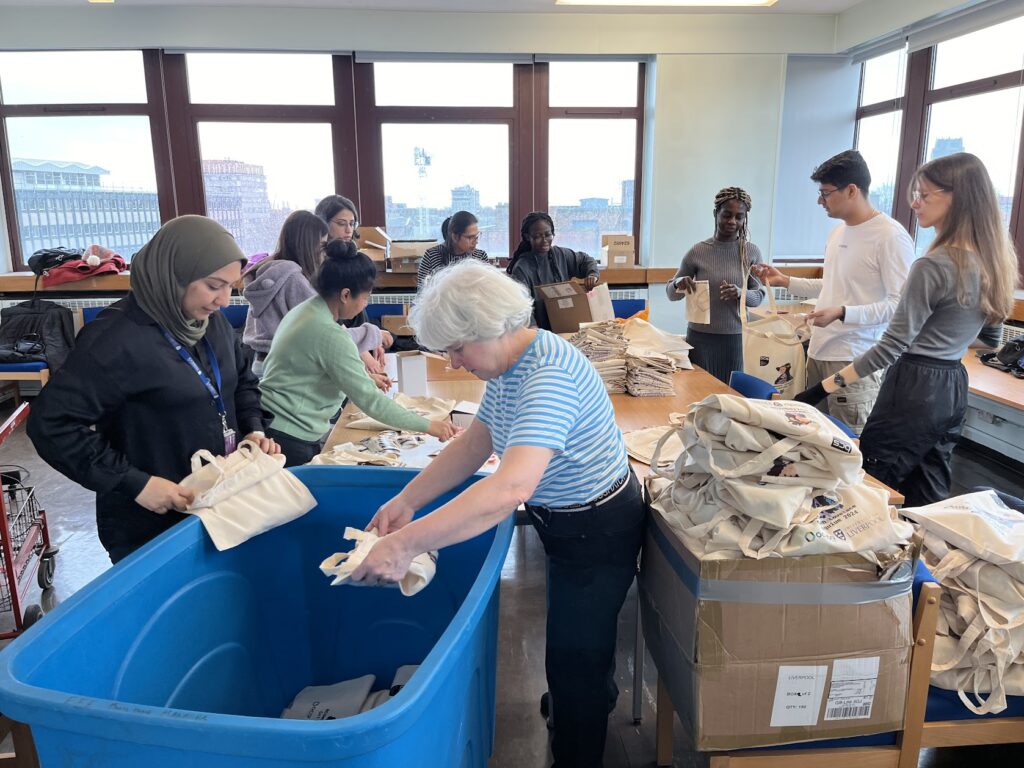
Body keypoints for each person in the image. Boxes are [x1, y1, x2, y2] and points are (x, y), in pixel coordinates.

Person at [349, 259, 644, 767]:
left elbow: (511, 486)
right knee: (577, 643)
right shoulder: (511, 364)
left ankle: (581, 736)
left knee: (575, 659)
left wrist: (405, 543)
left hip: (597, 527)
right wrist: (407, 501)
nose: (456, 362)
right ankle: (587, 696)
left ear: (490, 327)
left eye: (458, 349)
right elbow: (477, 441)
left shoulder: (547, 375)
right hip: (565, 522)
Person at [26, 215, 280, 564]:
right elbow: (52, 425)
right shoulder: (116, 339)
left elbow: (242, 384)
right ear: (174, 276)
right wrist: (136, 483)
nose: (224, 300)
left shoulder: (209, 324)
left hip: (216, 502)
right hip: (148, 524)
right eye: (213, 285)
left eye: (230, 286)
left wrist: (252, 429)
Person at [793, 152, 1018, 507]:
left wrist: (820, 389)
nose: (915, 203)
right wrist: (941, 338)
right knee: (926, 493)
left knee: (871, 486)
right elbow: (988, 339)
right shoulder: (991, 261)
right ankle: (918, 561)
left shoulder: (933, 263)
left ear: (956, 198)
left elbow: (890, 347)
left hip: (914, 385)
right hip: (952, 385)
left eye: (925, 195)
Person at [755, 150, 915, 433]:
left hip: (854, 359)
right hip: (819, 352)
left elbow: (900, 305)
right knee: (811, 439)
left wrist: (842, 313)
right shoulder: (838, 232)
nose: (820, 201)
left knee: (848, 445)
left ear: (851, 190)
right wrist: (786, 281)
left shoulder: (890, 236)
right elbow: (832, 285)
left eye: (826, 193)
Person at [259, 239, 456, 466]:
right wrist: (430, 426)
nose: (365, 304)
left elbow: (309, 368)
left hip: (273, 423)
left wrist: (365, 377)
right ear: (345, 295)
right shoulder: (329, 333)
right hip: (290, 436)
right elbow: (371, 402)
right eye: (365, 297)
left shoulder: (305, 311)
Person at [242, 210, 390, 380]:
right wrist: (374, 335)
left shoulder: (270, 274)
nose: (323, 253)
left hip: (263, 363)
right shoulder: (293, 280)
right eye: (321, 245)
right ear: (307, 245)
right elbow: (328, 335)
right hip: (285, 370)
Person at [666, 187, 765, 383]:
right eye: (727, 215)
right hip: (700, 339)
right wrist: (679, 283)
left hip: (733, 338)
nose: (732, 222)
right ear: (715, 213)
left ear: (745, 219)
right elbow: (671, 294)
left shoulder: (751, 252)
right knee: (698, 390)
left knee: (731, 395)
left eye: (739, 217)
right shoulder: (698, 251)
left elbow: (759, 295)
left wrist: (740, 294)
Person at [507, 212, 600, 331]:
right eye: (537, 236)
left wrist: (592, 274)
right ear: (527, 237)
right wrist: (534, 331)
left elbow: (586, 260)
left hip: (566, 323)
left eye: (548, 234)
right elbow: (521, 307)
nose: (544, 240)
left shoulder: (561, 255)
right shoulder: (521, 268)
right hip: (539, 331)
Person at [416, 210, 489, 292]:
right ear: (454, 237)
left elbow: (486, 291)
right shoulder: (431, 255)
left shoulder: (480, 257)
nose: (475, 241)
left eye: (476, 236)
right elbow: (421, 295)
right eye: (470, 237)